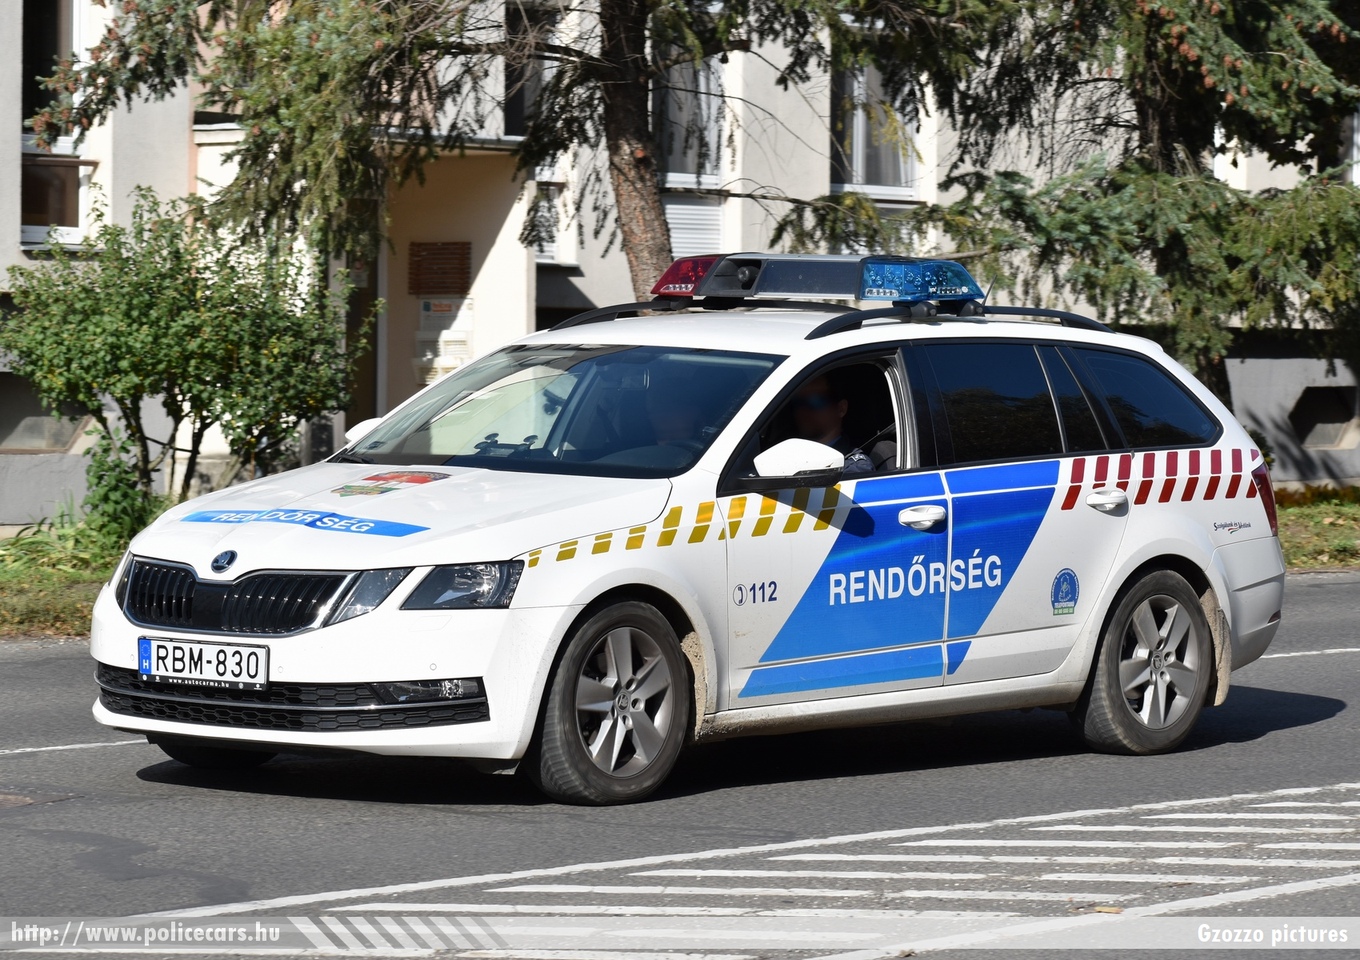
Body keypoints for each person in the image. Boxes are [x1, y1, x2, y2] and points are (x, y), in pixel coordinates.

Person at [791, 374, 873, 474]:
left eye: (815, 401)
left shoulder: (853, 468)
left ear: (841, 409)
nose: (803, 410)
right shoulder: (786, 455)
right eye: (798, 402)